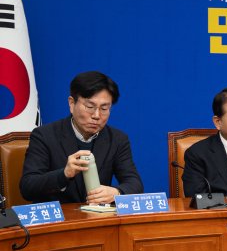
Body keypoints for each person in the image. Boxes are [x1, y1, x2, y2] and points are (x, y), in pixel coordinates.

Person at [20, 71, 143, 204]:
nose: (96, 115)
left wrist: (116, 193)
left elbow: (134, 183)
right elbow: (28, 187)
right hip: (60, 215)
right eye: (90, 107)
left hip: (97, 215)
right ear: (72, 104)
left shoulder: (117, 139)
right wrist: (64, 174)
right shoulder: (44, 135)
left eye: (104, 108)